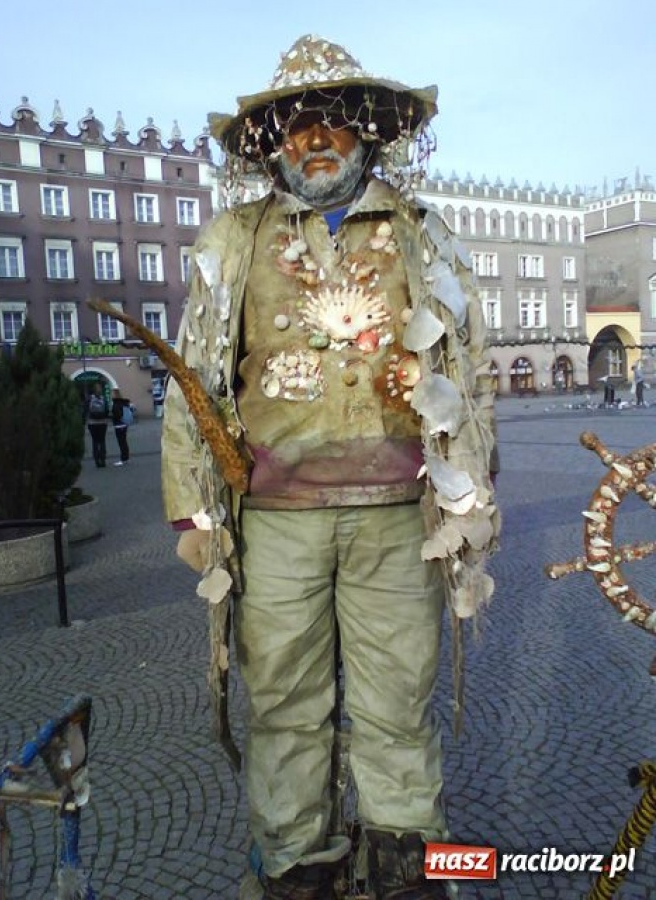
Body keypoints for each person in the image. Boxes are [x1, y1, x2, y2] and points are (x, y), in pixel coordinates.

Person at [162, 35, 499, 900]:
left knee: (396, 699)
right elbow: (193, 380)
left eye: (334, 122)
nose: (315, 137)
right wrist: (188, 514)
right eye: (296, 124)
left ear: (369, 133)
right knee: (283, 702)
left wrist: (461, 462)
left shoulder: (423, 234)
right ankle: (296, 865)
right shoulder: (234, 239)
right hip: (274, 521)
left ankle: (405, 863)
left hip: (398, 517)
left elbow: (469, 367)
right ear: (273, 140)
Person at [86, 382, 108, 468]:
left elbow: (86, 410)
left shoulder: (89, 399)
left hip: (92, 423)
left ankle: (96, 461)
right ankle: (103, 460)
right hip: (103, 423)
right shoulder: (104, 398)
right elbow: (106, 411)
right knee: (102, 441)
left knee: (95, 441)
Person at [110, 388, 132, 466]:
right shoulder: (124, 403)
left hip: (119, 425)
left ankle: (123, 459)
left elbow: (117, 415)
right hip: (124, 424)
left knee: (121, 442)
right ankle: (126, 458)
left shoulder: (116, 404)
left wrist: (112, 416)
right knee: (124, 442)